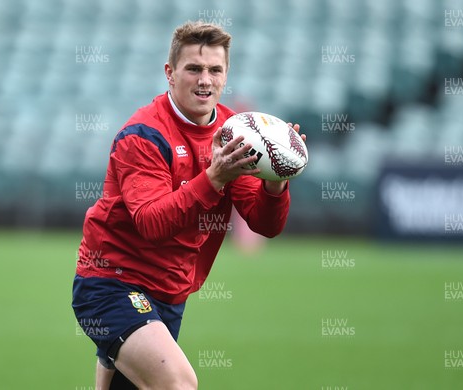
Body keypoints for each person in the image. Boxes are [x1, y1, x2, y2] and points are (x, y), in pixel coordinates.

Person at [72, 21, 305, 390]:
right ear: (170, 73)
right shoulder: (143, 135)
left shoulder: (234, 133)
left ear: (226, 75)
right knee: (179, 384)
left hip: (169, 293)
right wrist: (213, 178)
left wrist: (276, 185)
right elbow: (151, 222)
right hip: (112, 283)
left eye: (215, 70)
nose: (205, 80)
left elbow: (264, 224)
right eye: (193, 69)